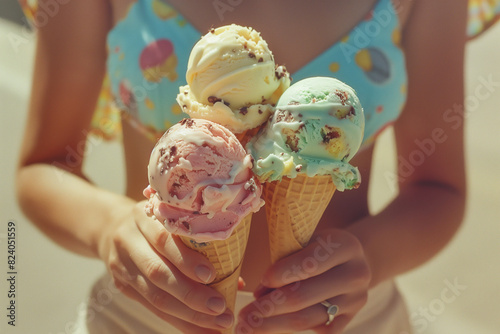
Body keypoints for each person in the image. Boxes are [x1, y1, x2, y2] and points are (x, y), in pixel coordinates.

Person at [16, 0, 499, 333]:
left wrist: (370, 257)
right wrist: (107, 226)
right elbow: (42, 166)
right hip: (141, 318)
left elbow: (438, 189)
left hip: (341, 320)